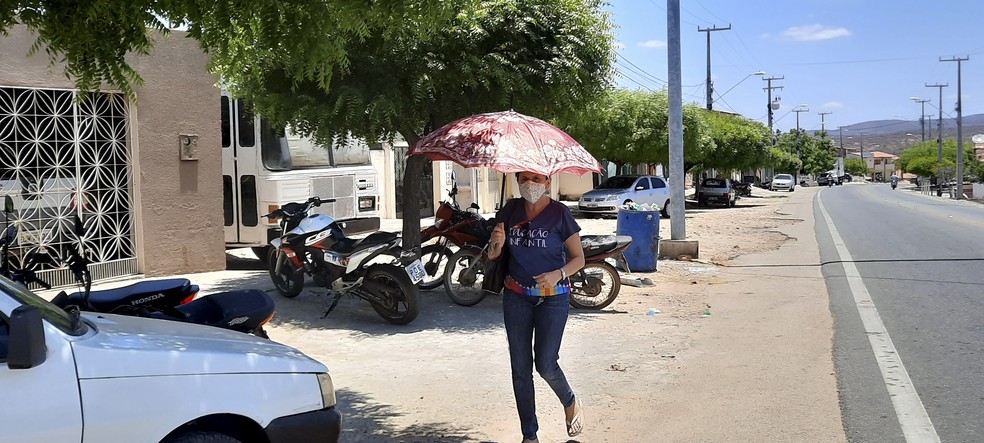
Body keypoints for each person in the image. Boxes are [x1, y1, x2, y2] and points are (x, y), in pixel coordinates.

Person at [488, 171, 586, 443]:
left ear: (548, 182)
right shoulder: (510, 210)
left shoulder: (560, 213)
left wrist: (558, 274)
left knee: (545, 364)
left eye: (537, 179)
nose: (530, 184)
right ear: (517, 181)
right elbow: (493, 255)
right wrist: (496, 245)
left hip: (553, 298)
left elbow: (579, 259)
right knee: (520, 370)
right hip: (516, 296)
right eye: (524, 179)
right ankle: (529, 436)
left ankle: (569, 401)